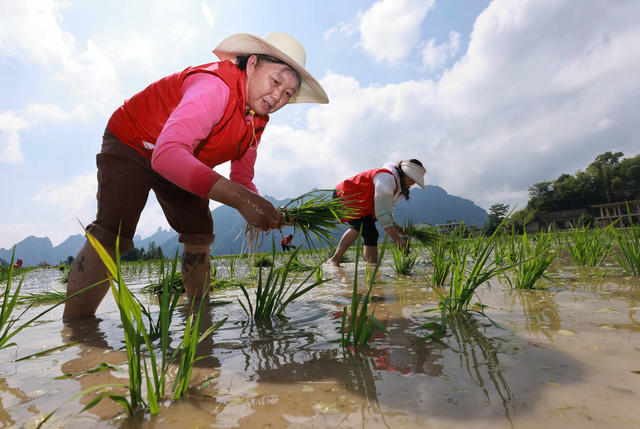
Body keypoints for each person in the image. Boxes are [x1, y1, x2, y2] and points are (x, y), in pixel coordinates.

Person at [63, 32, 328, 319]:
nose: (278, 96)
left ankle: (199, 314)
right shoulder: (215, 86)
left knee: (199, 230)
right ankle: (77, 330)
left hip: (182, 159)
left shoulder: (256, 123)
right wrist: (241, 201)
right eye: (276, 81)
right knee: (112, 234)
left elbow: (242, 180)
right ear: (252, 65)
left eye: (288, 93)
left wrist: (267, 211)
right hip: (133, 141)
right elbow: (167, 154)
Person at [327, 159, 426, 266]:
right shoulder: (386, 179)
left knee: (367, 231)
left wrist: (397, 228)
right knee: (365, 229)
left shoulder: (398, 189)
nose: (414, 182)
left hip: (361, 204)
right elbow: (382, 214)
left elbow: (386, 210)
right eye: (413, 178)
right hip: (346, 196)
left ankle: (370, 268)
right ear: (405, 174)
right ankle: (368, 268)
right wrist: (397, 239)